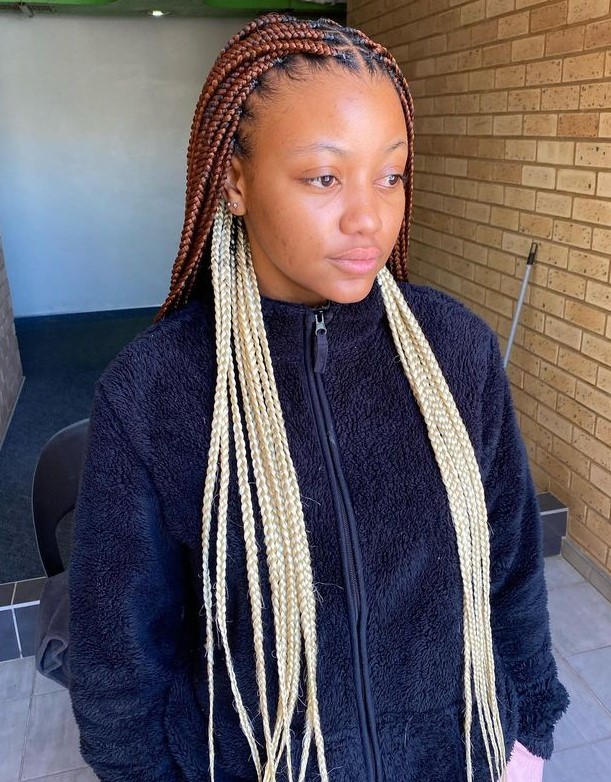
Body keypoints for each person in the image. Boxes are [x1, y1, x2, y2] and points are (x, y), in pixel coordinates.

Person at [68, 13, 568, 782]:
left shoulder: (455, 350)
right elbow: (119, 667)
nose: (368, 216)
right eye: (323, 177)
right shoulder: (154, 393)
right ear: (234, 181)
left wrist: (526, 737)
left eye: (390, 174)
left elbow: (509, 571)